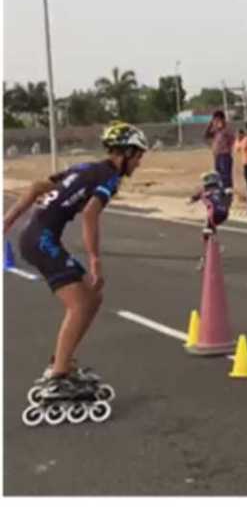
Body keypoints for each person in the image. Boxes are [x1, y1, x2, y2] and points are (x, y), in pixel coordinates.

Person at [4, 121, 147, 422]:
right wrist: (95, 259)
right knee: (80, 304)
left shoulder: (84, 167)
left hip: (37, 236)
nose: (139, 161)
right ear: (125, 153)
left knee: (92, 297)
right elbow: (91, 214)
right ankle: (58, 375)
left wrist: (8, 220)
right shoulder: (109, 177)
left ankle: (64, 363)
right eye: (138, 155)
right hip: (41, 240)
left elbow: (36, 187)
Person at [188, 171, 234, 270]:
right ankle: (214, 245)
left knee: (206, 233)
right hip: (224, 213)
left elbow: (193, 198)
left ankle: (208, 255)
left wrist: (190, 200)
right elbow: (229, 195)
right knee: (210, 229)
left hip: (213, 213)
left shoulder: (204, 191)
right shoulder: (220, 189)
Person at [204, 110, 236, 190]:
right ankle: (221, 191)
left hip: (225, 155)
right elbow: (206, 135)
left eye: (217, 119)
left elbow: (232, 140)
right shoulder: (215, 130)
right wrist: (210, 124)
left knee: (226, 175)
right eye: (214, 120)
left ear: (222, 119)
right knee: (218, 175)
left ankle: (228, 191)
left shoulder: (227, 129)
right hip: (217, 155)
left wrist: (228, 149)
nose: (215, 121)